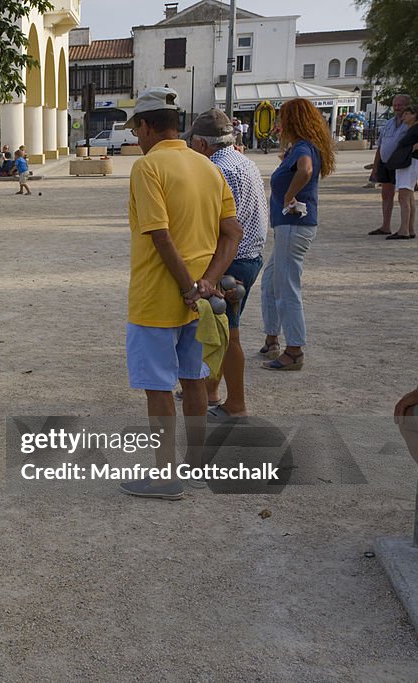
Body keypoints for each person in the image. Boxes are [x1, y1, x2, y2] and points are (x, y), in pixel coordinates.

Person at [120, 86, 241, 500]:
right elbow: (232, 233)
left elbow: (159, 234)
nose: (136, 138)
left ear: (147, 126)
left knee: (158, 387)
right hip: (202, 300)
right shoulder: (209, 167)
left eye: (137, 128)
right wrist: (207, 281)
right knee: (193, 380)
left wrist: (187, 286)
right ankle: (196, 464)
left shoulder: (148, 168)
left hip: (158, 295)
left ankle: (166, 476)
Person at [185, 109, 268, 421]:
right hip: (248, 255)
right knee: (221, 330)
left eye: (193, 144)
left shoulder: (218, 170)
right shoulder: (242, 160)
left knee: (228, 332)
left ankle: (236, 403)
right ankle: (211, 390)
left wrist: (213, 273)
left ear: (204, 145)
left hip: (233, 259)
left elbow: (222, 226)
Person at [259, 98, 336, 372]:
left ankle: (294, 350)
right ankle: (272, 339)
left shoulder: (304, 147)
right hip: (288, 226)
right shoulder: (300, 147)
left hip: (294, 225)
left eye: (282, 118)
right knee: (270, 282)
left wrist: (289, 195)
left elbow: (306, 170)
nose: (279, 122)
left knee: (286, 285)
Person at [368, 94, 412, 236]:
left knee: (405, 196)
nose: (397, 108)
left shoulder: (410, 124)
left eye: (400, 105)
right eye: (395, 105)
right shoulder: (388, 123)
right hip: (385, 163)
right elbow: (380, 146)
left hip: (402, 164)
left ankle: (406, 228)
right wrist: (375, 167)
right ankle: (385, 226)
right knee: (386, 194)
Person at [386, 105, 418, 240]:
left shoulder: (415, 129)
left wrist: (411, 149)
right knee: (409, 197)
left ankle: (404, 229)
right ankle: (409, 228)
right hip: (408, 162)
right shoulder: (411, 128)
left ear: (414, 115)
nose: (404, 116)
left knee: (404, 196)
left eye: (407, 114)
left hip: (409, 162)